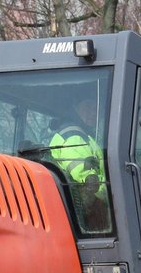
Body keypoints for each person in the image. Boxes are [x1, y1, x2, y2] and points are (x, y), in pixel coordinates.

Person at [48, 98, 111, 233]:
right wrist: (89, 176)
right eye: (88, 105)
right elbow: (76, 160)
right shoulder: (73, 135)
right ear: (75, 107)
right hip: (89, 204)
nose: (93, 112)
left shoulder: (84, 135)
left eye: (96, 108)